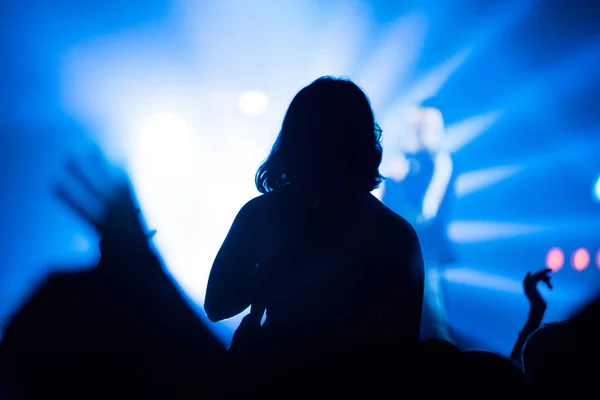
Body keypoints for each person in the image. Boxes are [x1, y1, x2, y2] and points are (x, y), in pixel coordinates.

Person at [204, 77, 425, 377]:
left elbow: (217, 305)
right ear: (364, 144)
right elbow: (405, 357)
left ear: (294, 140)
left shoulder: (261, 214)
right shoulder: (395, 235)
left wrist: (269, 275)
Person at [381, 104, 456, 341]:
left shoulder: (439, 162)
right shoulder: (404, 162)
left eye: (424, 126)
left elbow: (426, 214)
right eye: (415, 126)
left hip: (424, 254)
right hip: (396, 251)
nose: (418, 132)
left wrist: (397, 182)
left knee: (433, 324)